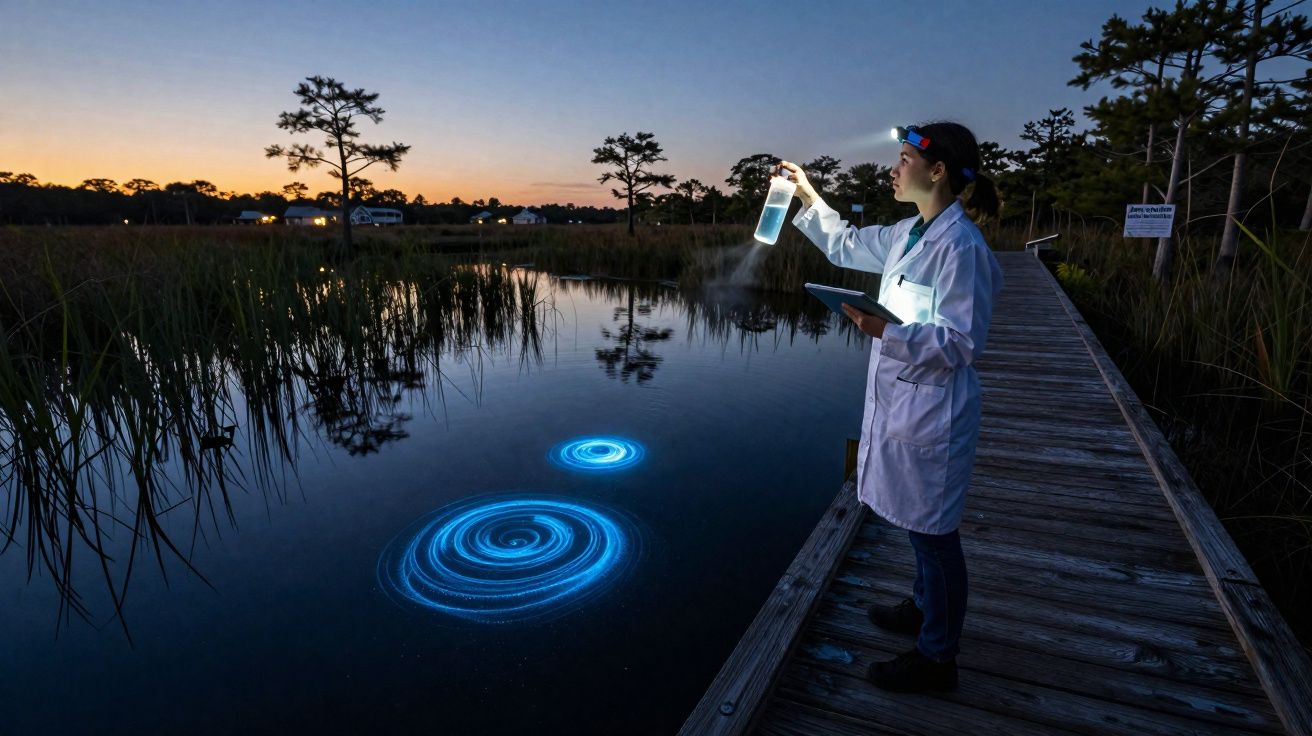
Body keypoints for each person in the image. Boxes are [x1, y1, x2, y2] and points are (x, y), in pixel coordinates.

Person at [778, 121, 1003, 693]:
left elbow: (962, 343)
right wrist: (807, 193)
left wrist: (885, 331)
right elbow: (846, 243)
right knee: (915, 523)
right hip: (904, 402)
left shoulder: (962, 248)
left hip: (935, 412)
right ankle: (923, 607)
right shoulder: (909, 232)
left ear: (938, 171)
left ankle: (937, 659)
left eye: (904, 158)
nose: (894, 168)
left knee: (935, 534)